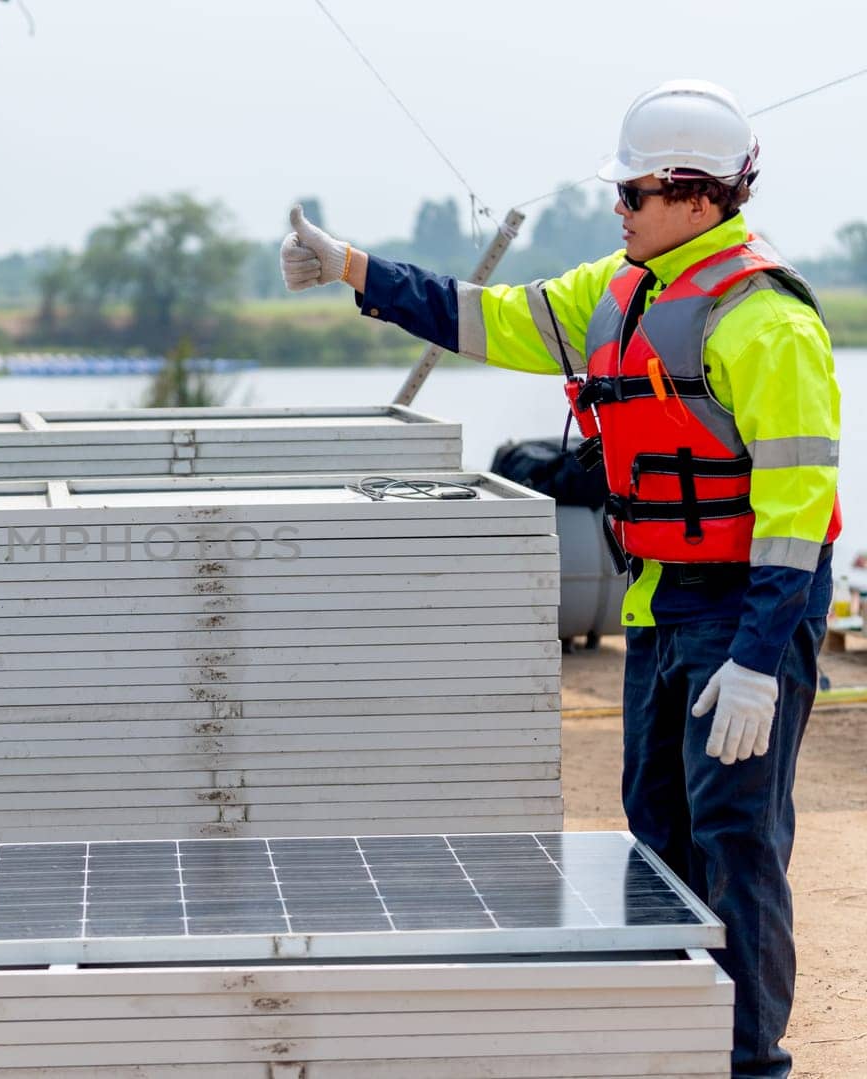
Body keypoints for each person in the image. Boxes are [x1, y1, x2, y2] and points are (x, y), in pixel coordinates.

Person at [281, 79, 837, 1079]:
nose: (614, 208)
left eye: (629, 193)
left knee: (735, 838)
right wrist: (352, 268)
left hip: (747, 611)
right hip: (660, 604)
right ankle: (671, 1032)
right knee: (657, 829)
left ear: (695, 197)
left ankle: (747, 1058)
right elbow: (484, 317)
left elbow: (796, 520)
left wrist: (758, 661)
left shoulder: (769, 322)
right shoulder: (613, 291)